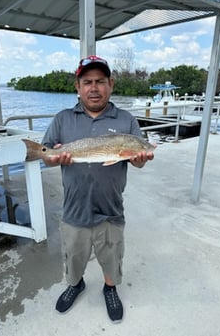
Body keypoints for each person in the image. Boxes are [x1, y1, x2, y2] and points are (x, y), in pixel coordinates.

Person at [42, 55, 154, 322]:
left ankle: (110, 287)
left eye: (100, 81)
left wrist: (139, 159)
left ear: (111, 84)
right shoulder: (62, 119)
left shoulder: (126, 120)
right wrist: (52, 156)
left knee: (112, 254)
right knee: (74, 256)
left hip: (111, 208)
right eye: (87, 82)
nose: (94, 88)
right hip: (74, 208)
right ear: (77, 86)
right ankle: (75, 284)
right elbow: (46, 155)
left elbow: (138, 162)